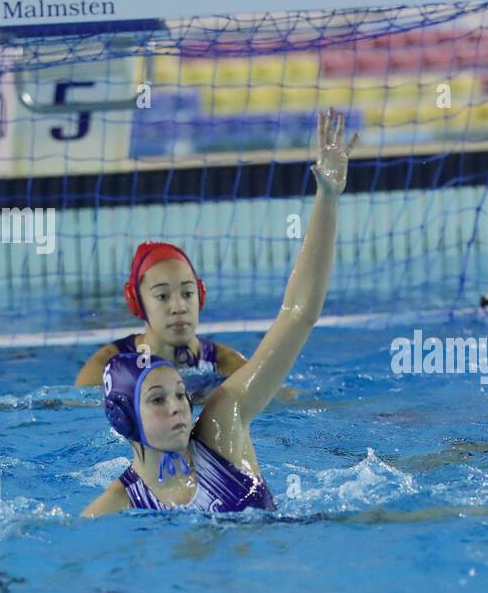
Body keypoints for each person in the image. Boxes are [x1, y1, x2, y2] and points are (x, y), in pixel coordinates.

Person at [81, 107, 357, 516]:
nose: (178, 407)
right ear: (123, 419)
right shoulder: (113, 508)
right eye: (158, 400)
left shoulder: (222, 425)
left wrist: (328, 198)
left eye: (178, 394)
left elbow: (298, 315)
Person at [74, 240, 249, 390]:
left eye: (187, 294)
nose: (179, 307)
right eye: (162, 296)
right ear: (137, 302)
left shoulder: (227, 365)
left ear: (201, 295)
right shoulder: (106, 370)